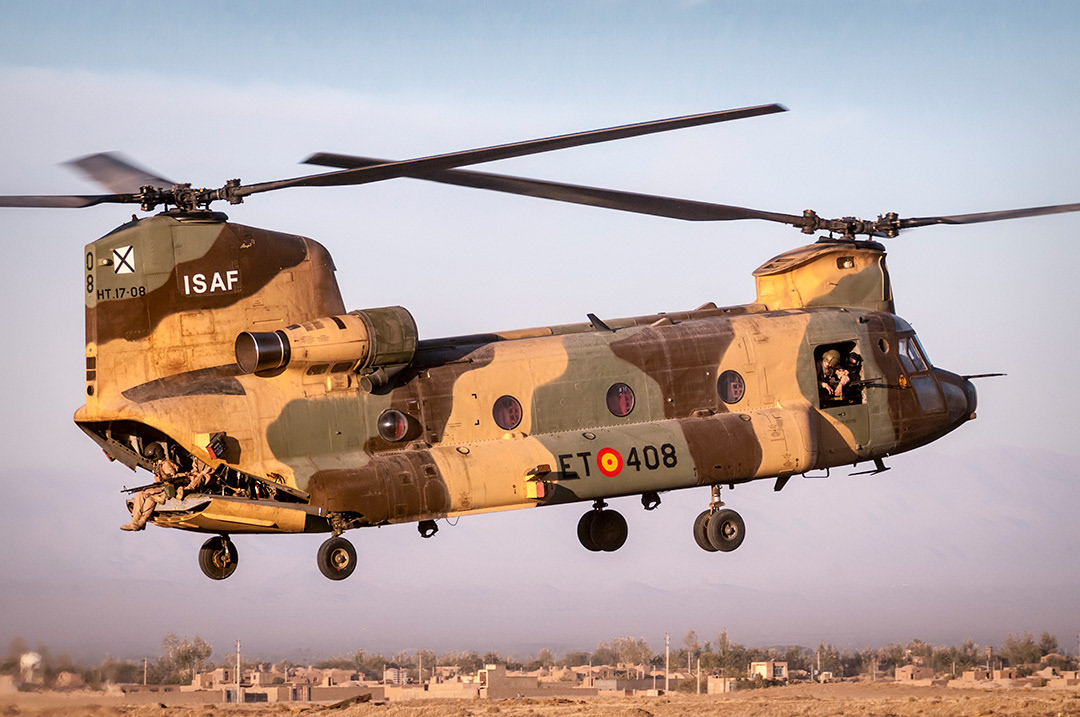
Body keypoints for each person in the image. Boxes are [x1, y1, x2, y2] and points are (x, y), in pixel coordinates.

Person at [120, 446, 183, 531]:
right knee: (147, 497)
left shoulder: (166, 464)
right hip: (162, 487)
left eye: (153, 457)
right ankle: (138, 521)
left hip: (168, 488)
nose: (152, 459)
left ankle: (138, 521)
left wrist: (161, 481)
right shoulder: (159, 465)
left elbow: (173, 478)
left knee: (143, 493)